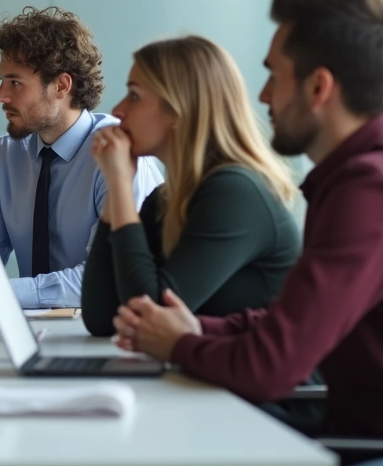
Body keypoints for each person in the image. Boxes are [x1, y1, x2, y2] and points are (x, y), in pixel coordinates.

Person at [113, 0, 383, 450]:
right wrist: (196, 328)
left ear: (318, 87)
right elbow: (283, 321)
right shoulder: (364, 177)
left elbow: (270, 368)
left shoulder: (376, 191)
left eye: (274, 76)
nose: (264, 96)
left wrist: (180, 344)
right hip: (357, 436)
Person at [0, 6, 162, 310]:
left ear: (62, 86)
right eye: (1, 80)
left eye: (15, 82)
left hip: (107, 330)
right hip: (32, 330)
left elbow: (105, 278)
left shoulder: (117, 155)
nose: (0, 96)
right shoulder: (4, 156)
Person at [80, 35, 300, 336]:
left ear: (178, 109)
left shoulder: (235, 192)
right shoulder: (165, 198)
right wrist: (116, 187)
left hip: (267, 381)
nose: (117, 110)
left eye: (133, 95)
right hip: (209, 375)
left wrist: (119, 185)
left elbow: (149, 315)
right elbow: (101, 318)